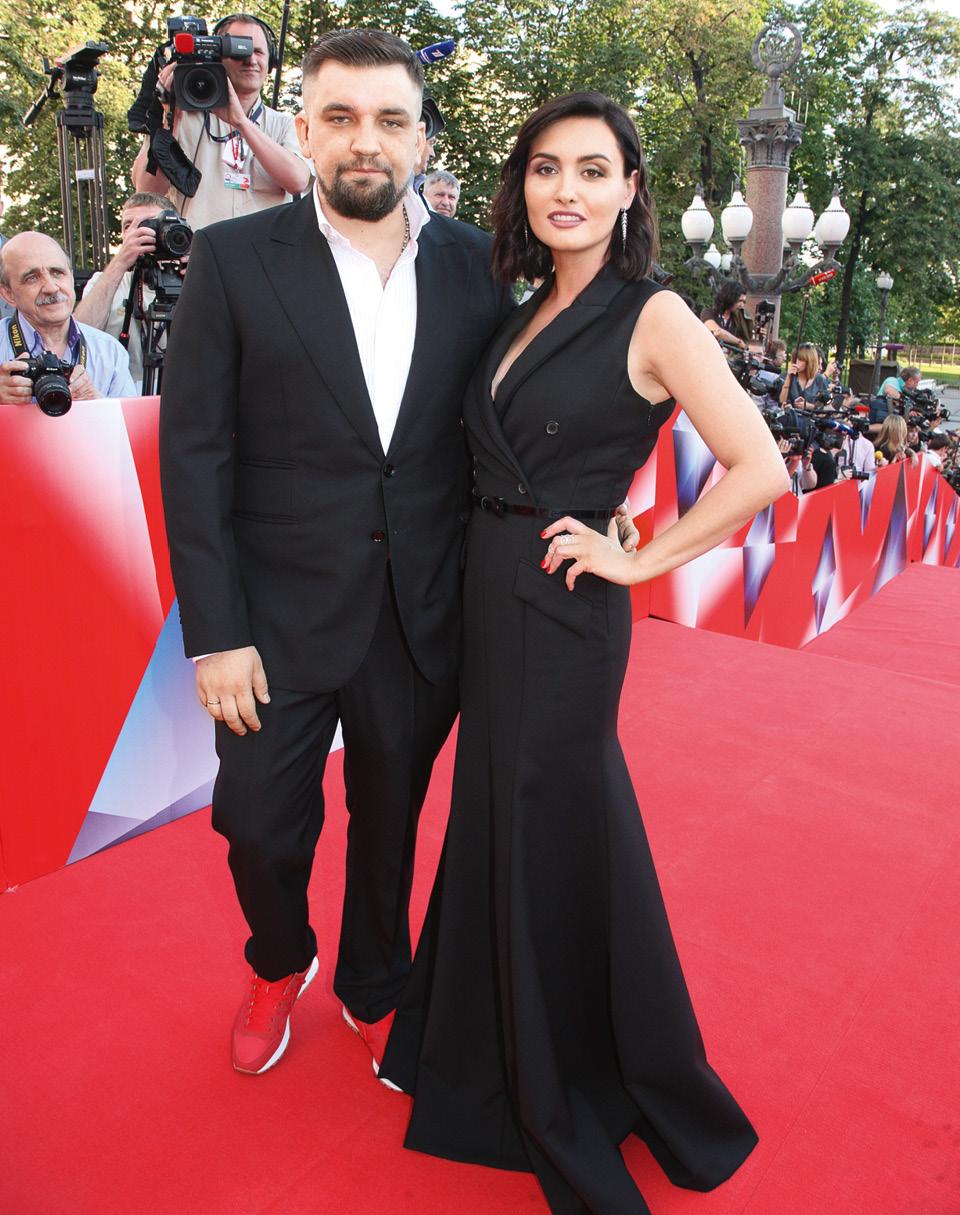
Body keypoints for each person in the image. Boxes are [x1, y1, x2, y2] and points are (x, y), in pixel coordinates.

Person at [379, 91, 788, 1215]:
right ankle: (478, 1047)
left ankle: (565, 1076)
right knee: (503, 817)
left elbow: (760, 468)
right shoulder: (524, 308)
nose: (567, 189)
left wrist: (636, 560)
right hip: (490, 591)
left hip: (563, 606)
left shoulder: (654, 313)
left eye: (593, 170)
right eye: (547, 168)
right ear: (522, 185)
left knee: (548, 820)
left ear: (630, 190)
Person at [158, 28, 522, 1079]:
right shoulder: (233, 260)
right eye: (342, 117)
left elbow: (510, 423)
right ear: (304, 130)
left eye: (391, 119)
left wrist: (600, 505)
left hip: (420, 610)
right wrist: (215, 633)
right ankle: (280, 958)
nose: (368, 139)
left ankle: (376, 982)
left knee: (390, 820)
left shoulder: (478, 266)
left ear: (420, 138)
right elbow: (195, 454)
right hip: (272, 619)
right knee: (256, 823)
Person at [132, 13, 311, 230]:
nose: (250, 60)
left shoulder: (283, 125)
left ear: (271, 61)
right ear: (217, 57)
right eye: (239, 51)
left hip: (261, 251)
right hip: (195, 249)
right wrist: (169, 117)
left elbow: (297, 181)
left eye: (258, 51)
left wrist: (241, 123)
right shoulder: (182, 117)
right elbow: (147, 191)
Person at [0, 232, 136, 407]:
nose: (51, 287)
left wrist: (98, 404)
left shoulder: (110, 351)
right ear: (8, 294)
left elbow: (130, 423)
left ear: (71, 277)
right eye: (32, 278)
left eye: (57, 273)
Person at [74, 192, 186, 389]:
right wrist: (120, 262)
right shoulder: (105, 281)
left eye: (149, 225)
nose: (139, 233)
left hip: (180, 393)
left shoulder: (193, 279)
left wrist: (199, 278)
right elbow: (78, 337)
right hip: (121, 396)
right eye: (129, 226)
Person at [779, 341, 830, 407]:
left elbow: (825, 406)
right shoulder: (787, 376)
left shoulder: (819, 379)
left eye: (800, 360)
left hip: (810, 413)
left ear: (809, 361)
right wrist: (788, 378)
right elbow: (781, 401)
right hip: (791, 413)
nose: (796, 362)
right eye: (795, 359)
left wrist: (808, 406)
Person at [701, 278, 748, 349]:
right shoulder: (708, 313)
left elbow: (746, 343)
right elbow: (718, 332)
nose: (742, 305)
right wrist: (738, 341)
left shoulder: (738, 320)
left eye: (744, 302)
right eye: (740, 301)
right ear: (730, 297)